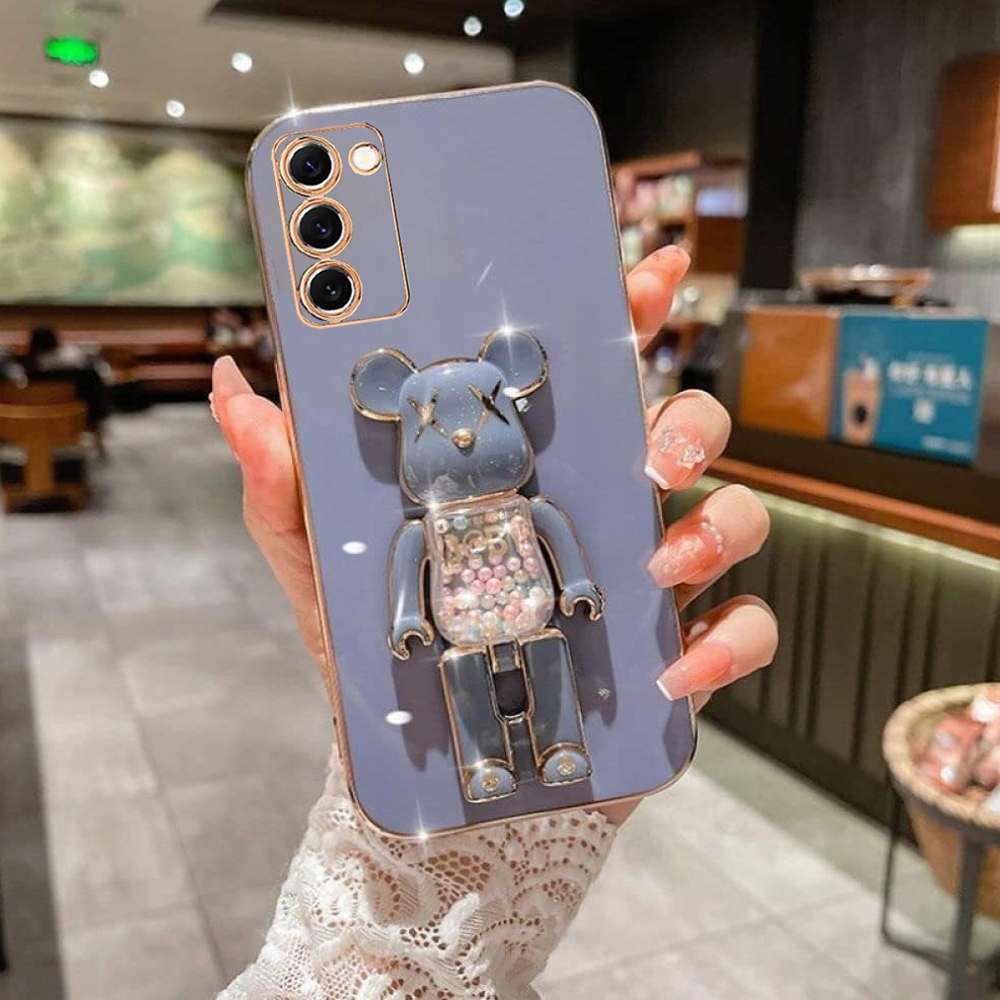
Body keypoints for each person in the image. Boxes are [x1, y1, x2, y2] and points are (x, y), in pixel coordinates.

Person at [210, 246, 777, 999]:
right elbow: (407, 570)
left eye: (484, 416)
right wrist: (406, 618)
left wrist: (581, 582)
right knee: (465, 684)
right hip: (460, 630)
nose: (463, 437)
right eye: (433, 426)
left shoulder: (523, 507)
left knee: (549, 666)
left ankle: (563, 743)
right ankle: (483, 762)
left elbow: (560, 539)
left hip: (534, 616)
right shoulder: (428, 525)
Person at [25, 326, 112, 453]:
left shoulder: (32, 367)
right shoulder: (76, 359)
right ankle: (99, 444)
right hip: (84, 410)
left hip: (43, 412)